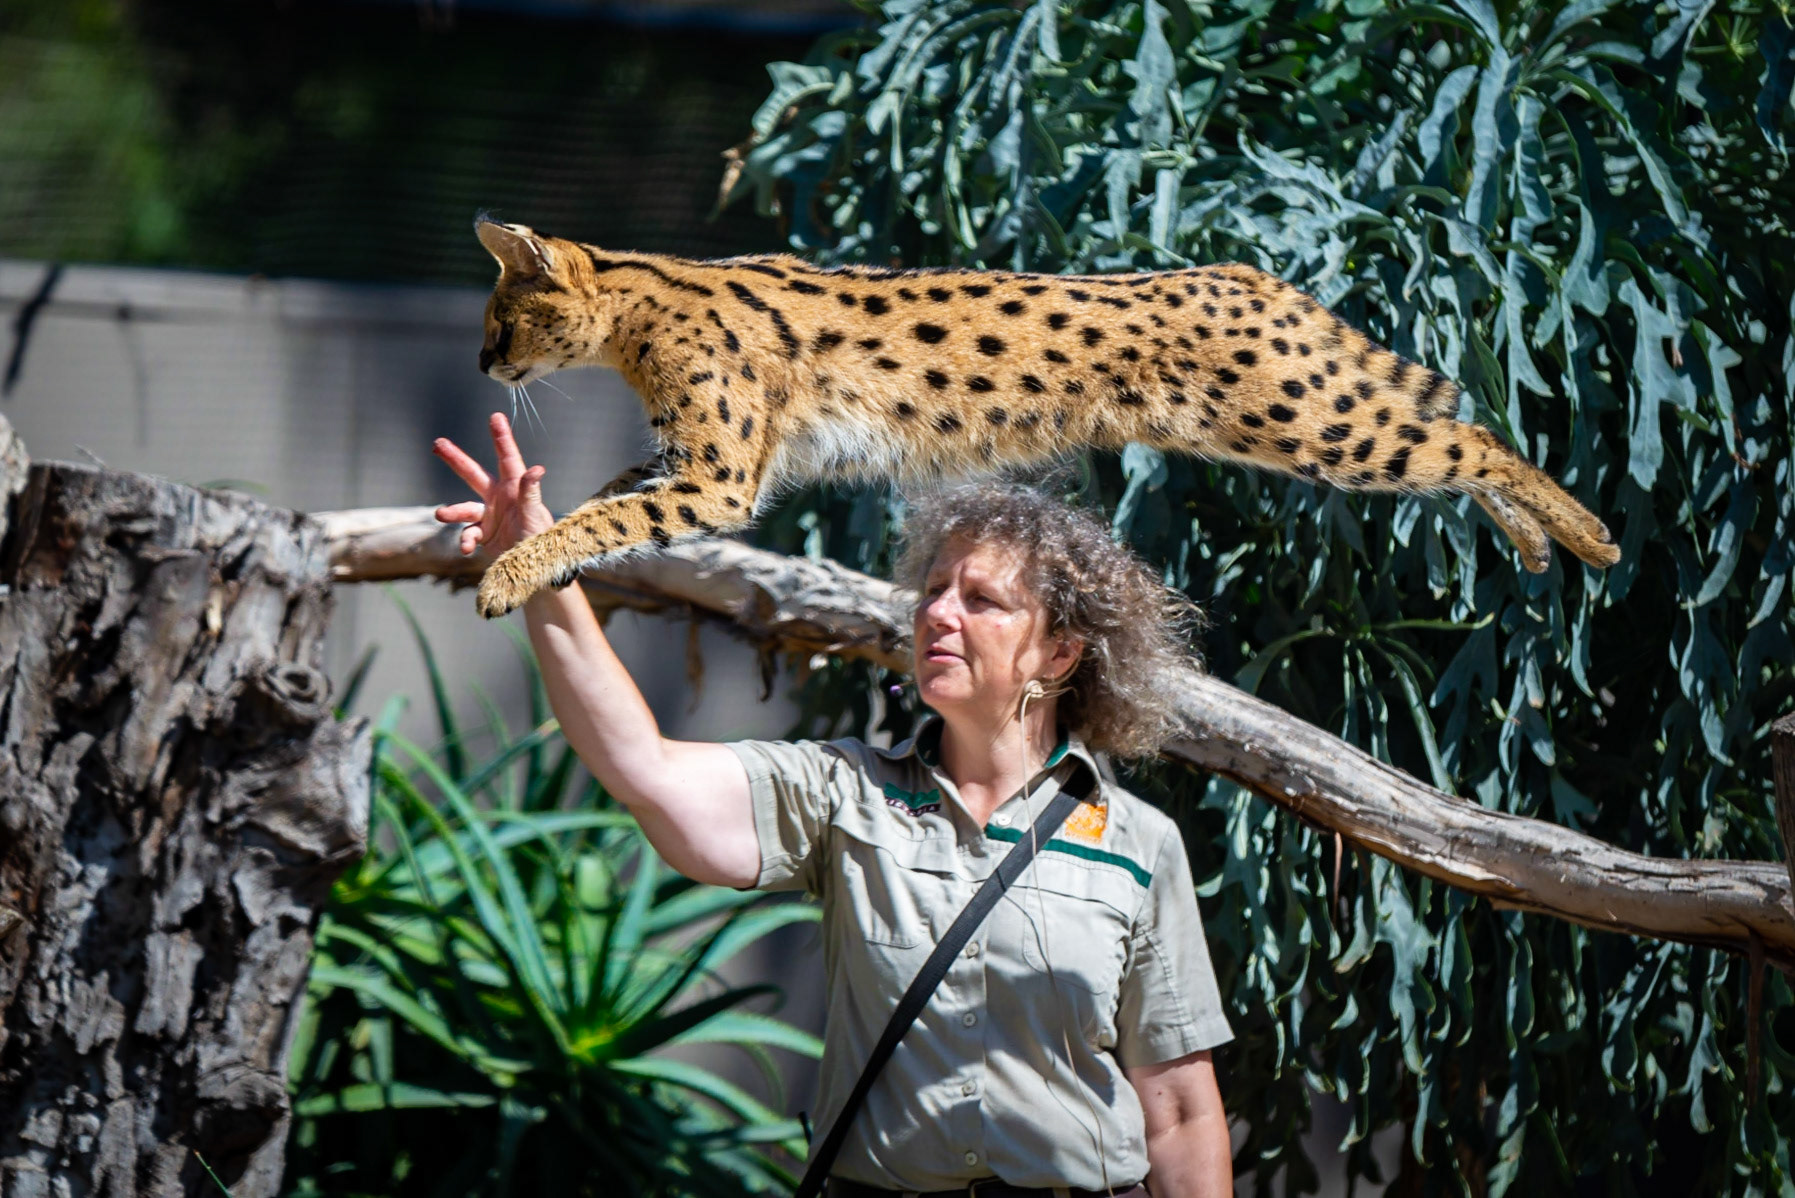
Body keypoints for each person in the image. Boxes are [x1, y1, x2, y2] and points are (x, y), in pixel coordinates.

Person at [433, 413, 1235, 1198]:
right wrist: (541, 568)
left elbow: (1177, 1109)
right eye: (931, 590)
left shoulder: (1136, 842)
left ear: (1058, 654)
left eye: (981, 600)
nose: (937, 614)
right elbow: (646, 768)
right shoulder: (845, 793)